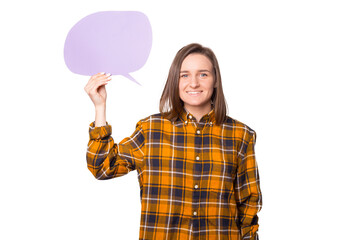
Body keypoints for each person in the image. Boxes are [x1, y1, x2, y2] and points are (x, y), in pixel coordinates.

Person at [84, 43, 262, 239]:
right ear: (174, 81)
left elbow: (249, 206)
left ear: (215, 80)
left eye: (203, 74)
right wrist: (100, 107)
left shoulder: (240, 135)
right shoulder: (151, 130)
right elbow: (102, 166)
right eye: (184, 75)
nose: (193, 83)